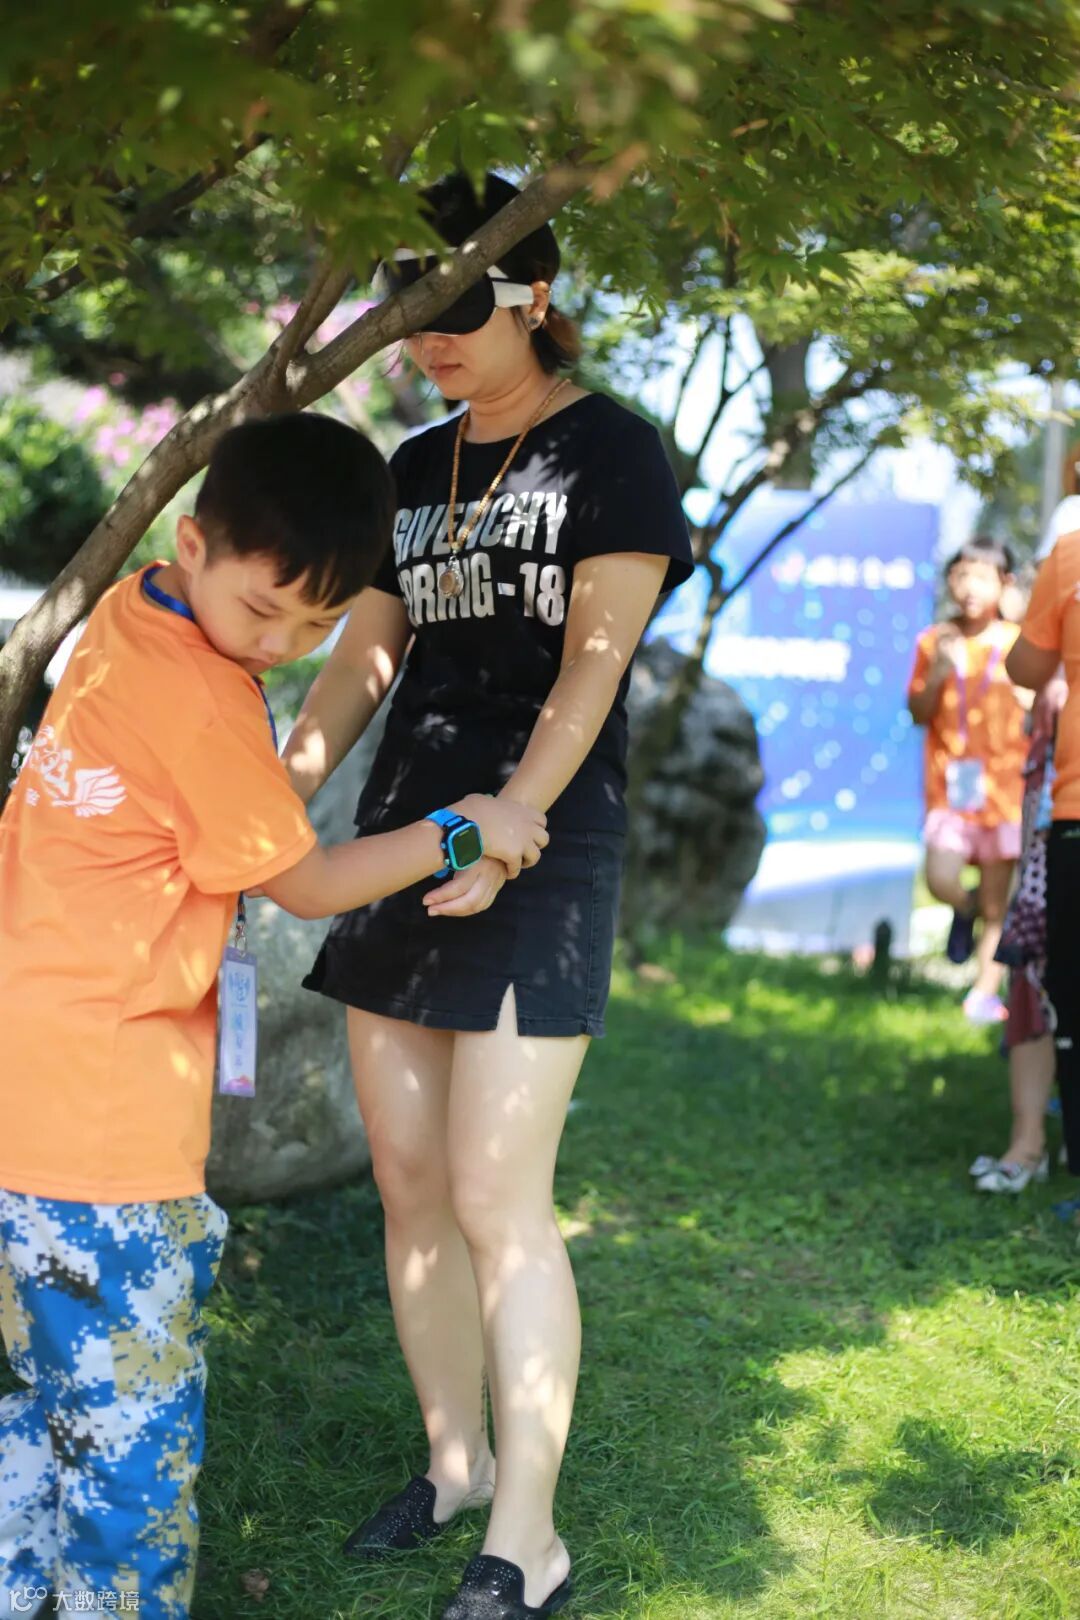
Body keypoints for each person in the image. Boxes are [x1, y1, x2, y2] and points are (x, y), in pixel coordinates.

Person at [0, 413, 547, 1620]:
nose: (282, 647)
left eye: (318, 625)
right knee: (132, 1457)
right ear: (193, 546)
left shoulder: (128, 619)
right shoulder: (202, 698)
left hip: (20, 1107)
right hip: (107, 1136)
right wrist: (467, 827)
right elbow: (306, 880)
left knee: (46, 1411)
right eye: (264, 611)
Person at [284, 172, 694, 1620]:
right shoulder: (413, 465)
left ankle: (531, 1536)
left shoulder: (613, 453)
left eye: (458, 308)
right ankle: (453, 1463)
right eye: (411, 309)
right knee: (407, 1182)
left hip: (542, 848)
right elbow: (364, 657)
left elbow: (596, 663)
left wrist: (513, 826)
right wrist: (288, 777)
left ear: (537, 299)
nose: (430, 337)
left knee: (495, 1195)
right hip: (406, 839)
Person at [907, 536, 1028, 1024]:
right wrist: (938, 672)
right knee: (941, 878)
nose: (969, 587)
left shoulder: (1020, 643)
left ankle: (984, 992)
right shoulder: (934, 639)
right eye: (960, 575)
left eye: (981, 576)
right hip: (950, 787)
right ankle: (964, 907)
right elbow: (917, 711)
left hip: (1005, 791)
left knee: (999, 902)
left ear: (1005, 583)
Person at [1006, 527, 1080, 1186]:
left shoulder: (1071, 551)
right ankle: (1028, 1139)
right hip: (1054, 812)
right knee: (1044, 980)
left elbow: (1025, 665)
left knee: (1060, 987)